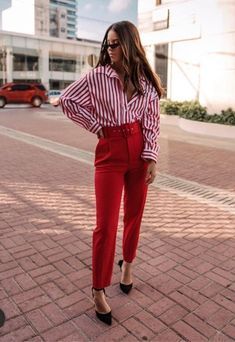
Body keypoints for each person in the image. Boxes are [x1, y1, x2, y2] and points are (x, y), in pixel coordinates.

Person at [54, 21, 163, 325]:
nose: (109, 49)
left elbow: (152, 121)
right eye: (107, 44)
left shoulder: (145, 80)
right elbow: (67, 100)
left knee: (134, 215)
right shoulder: (97, 76)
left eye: (115, 44)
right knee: (105, 224)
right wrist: (97, 126)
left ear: (130, 44)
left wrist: (151, 157)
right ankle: (98, 289)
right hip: (110, 153)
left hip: (139, 152)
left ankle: (127, 265)